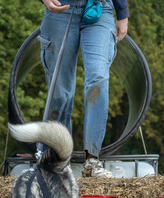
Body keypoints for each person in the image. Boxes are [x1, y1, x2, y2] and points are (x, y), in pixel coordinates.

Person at [39, 0, 128, 178]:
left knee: (98, 78)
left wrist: (122, 12)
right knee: (60, 89)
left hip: (99, 9)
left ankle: (92, 161)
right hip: (60, 9)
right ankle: (59, 159)